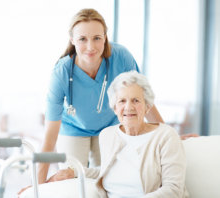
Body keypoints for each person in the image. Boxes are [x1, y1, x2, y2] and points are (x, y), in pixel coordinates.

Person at [38, 8, 164, 184]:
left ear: (105, 37)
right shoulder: (62, 72)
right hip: (73, 128)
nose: (90, 47)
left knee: (107, 180)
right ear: (72, 40)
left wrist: (166, 133)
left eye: (97, 38)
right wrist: (36, 187)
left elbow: (143, 98)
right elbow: (50, 135)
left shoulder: (121, 57)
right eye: (82, 39)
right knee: (73, 180)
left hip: (109, 127)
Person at [96, 71, 188, 197]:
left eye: (136, 100)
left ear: (147, 106)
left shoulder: (166, 136)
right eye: (122, 101)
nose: (128, 107)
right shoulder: (107, 135)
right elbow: (105, 171)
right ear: (115, 107)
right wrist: (74, 171)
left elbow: (174, 189)